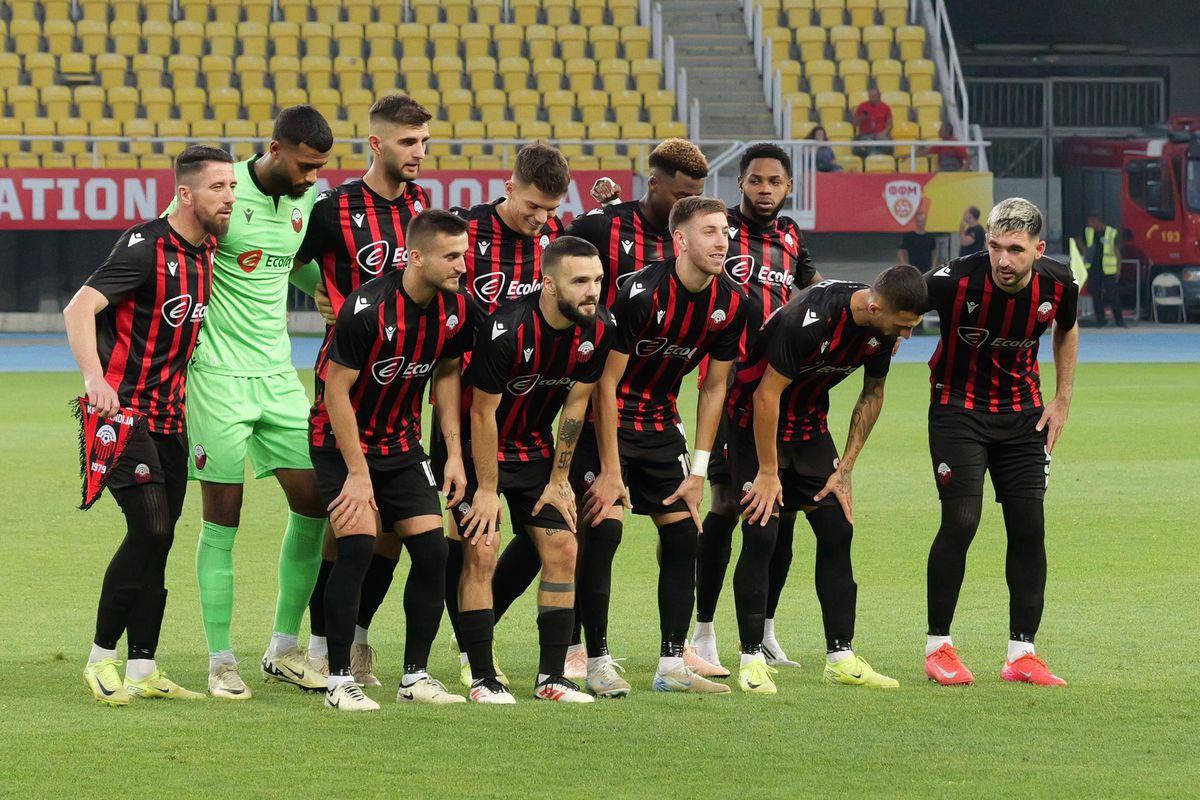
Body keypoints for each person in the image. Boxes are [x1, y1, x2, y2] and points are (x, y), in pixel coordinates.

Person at [491, 137, 706, 682]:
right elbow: (559, 258)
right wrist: (600, 206)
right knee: (583, 529)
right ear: (654, 185)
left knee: (582, 530)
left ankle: (667, 654)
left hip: (649, 409)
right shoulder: (604, 227)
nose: (687, 204)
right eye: (680, 194)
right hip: (586, 395)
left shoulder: (694, 246)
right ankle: (574, 648)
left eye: (696, 197)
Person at [65, 146, 235, 705]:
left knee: (158, 544)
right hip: (121, 416)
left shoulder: (208, 249)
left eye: (232, 187)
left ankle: (143, 667)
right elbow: (78, 309)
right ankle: (100, 659)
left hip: (170, 418)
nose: (229, 198)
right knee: (151, 530)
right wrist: (95, 377)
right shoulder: (144, 249)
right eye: (218, 188)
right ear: (185, 194)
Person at [175, 106, 334, 699]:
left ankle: (283, 646)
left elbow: (287, 263)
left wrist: (326, 293)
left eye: (321, 167)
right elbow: (174, 249)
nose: (313, 177)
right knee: (224, 514)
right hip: (216, 375)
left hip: (276, 374)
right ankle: (220, 660)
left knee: (315, 503)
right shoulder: (221, 191)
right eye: (305, 165)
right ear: (274, 148)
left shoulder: (305, 205)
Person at [578, 196, 747, 695]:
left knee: (682, 537)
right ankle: (596, 661)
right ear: (680, 240)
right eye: (710, 232)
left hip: (660, 428)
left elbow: (714, 388)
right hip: (604, 423)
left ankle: (671, 665)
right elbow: (605, 385)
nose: (722, 241)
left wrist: (697, 472)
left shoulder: (734, 302)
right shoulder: (638, 294)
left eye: (725, 232)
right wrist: (610, 469)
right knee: (603, 534)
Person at [731, 269, 926, 694]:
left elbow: (872, 392)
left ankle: (841, 658)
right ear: (875, 307)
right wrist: (767, 473)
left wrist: (846, 468)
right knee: (762, 531)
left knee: (837, 528)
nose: (906, 336)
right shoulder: (811, 316)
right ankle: (750, 660)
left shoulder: (883, 331)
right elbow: (766, 394)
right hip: (754, 422)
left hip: (808, 427)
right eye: (903, 326)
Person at [310, 210, 474, 711]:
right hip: (341, 443)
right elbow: (334, 390)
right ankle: (339, 679)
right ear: (416, 256)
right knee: (358, 547)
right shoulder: (367, 308)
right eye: (451, 256)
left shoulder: (457, 309)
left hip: (402, 447)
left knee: (433, 553)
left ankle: (414, 677)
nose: (462, 265)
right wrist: (358, 476)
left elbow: (447, 376)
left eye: (464, 254)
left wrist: (453, 455)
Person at [295, 93, 433, 684]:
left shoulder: (423, 207)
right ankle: (323, 647)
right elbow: (286, 260)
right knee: (348, 529)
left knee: (391, 540)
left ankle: (354, 639)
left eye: (424, 143)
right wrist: (318, 292)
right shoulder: (334, 209)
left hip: (402, 397)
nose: (419, 154)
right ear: (376, 144)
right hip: (347, 388)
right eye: (407, 142)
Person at [922, 197, 1079, 687]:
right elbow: (897, 304)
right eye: (995, 247)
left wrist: (1062, 398)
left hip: (1023, 417)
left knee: (1029, 527)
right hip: (958, 411)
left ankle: (1021, 655)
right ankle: (939, 647)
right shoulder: (954, 280)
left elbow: (1067, 329)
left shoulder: (1060, 282)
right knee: (963, 519)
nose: (1004, 260)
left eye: (1015, 249)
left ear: (1038, 248)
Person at [452, 236, 615, 704]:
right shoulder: (507, 330)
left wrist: (560, 479)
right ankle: (482, 678)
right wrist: (486, 489)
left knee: (563, 545)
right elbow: (481, 414)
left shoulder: (600, 329)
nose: (592, 291)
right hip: (474, 447)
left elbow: (575, 408)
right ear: (548, 283)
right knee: (482, 550)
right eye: (580, 281)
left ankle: (551, 678)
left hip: (532, 449)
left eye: (598, 280)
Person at [441, 142, 572, 684]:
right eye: (533, 206)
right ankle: (473, 656)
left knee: (553, 540)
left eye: (550, 210)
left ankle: (481, 633)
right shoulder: (466, 237)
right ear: (509, 186)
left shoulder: (555, 245)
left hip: (534, 420)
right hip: (474, 413)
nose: (540, 219)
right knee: (469, 542)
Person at [693, 142, 824, 676]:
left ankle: (766, 628)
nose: (764, 189)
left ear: (788, 187)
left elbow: (812, 286)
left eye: (774, 181)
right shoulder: (718, 227)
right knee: (726, 505)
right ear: (741, 184)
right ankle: (703, 632)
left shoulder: (792, 236)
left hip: (786, 389)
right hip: (729, 388)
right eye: (755, 180)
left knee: (784, 511)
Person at [1082, 212, 1124, 327]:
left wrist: (1118, 268)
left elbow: (1116, 251)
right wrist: (1086, 252)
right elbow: (1078, 240)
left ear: (1097, 220)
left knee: (1112, 294)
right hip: (1094, 268)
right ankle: (1101, 320)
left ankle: (1119, 320)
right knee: (1096, 294)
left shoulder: (1110, 232)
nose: (1089, 224)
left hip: (1108, 269)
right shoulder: (1088, 232)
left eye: (1091, 221)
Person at [853, 85, 893, 158]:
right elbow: (855, 124)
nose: (872, 98)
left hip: (880, 134)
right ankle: (875, 157)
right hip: (866, 135)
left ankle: (878, 157)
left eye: (874, 96)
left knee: (886, 143)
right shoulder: (862, 106)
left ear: (879, 95)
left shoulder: (885, 107)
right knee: (866, 142)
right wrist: (861, 118)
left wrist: (883, 133)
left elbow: (889, 125)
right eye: (870, 96)